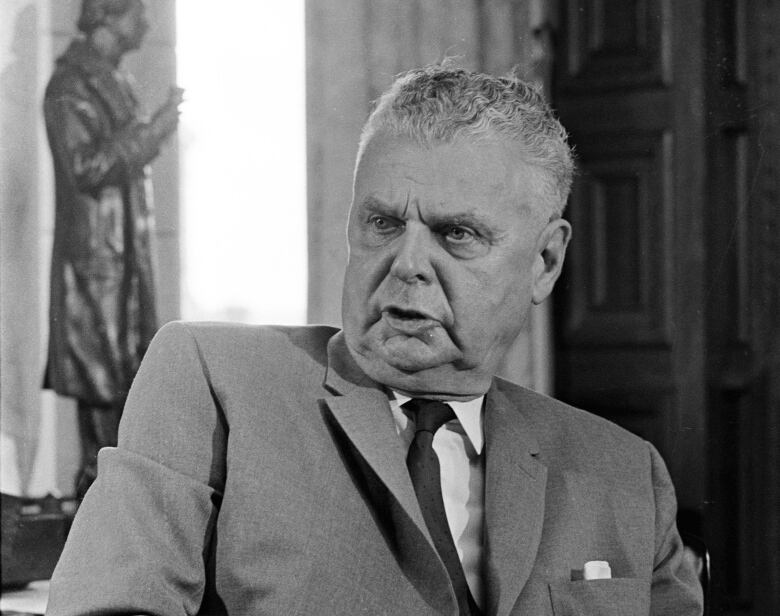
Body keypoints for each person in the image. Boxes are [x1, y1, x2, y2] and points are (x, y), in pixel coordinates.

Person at [47, 66, 703, 615]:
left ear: (545, 263)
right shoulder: (215, 381)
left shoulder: (624, 476)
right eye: (384, 222)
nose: (408, 263)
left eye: (456, 233)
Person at [42, 0, 183, 498]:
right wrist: (153, 132)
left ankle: (118, 536)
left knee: (128, 410)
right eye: (135, 13)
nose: (144, 23)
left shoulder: (113, 81)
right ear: (106, 14)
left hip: (124, 271)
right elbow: (86, 166)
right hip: (97, 274)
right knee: (104, 419)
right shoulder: (70, 84)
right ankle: (97, 537)